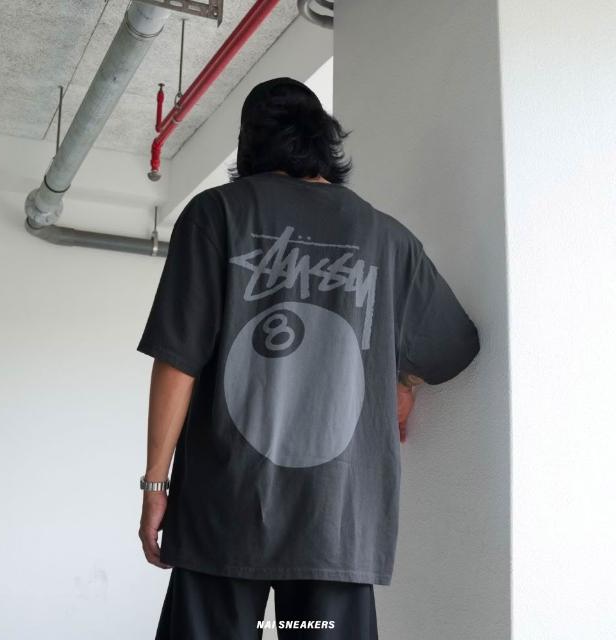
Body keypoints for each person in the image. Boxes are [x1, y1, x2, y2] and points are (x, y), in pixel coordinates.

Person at [136, 77, 480, 639]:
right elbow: (453, 345)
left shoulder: (215, 214)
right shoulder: (386, 237)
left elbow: (178, 359)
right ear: (324, 140)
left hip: (225, 511)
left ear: (249, 144)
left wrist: (156, 486)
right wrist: (404, 382)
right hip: (336, 518)